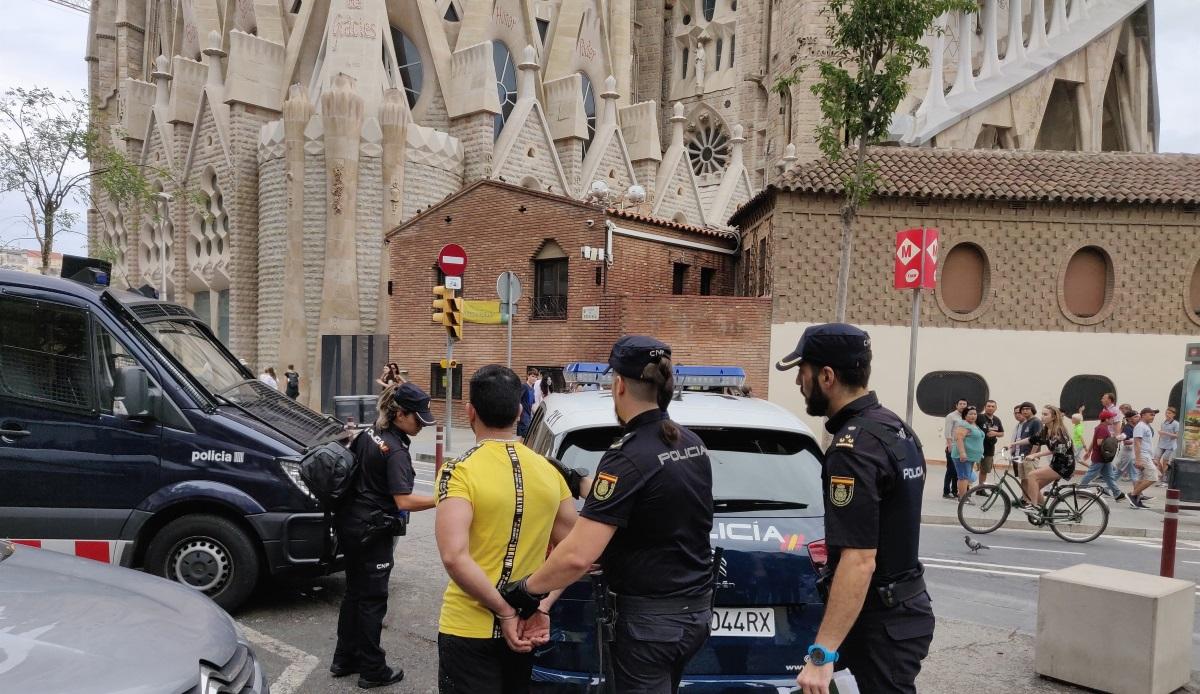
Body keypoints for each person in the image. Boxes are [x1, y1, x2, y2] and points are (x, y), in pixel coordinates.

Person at [501, 336, 715, 694]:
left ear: (618, 385)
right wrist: (581, 481)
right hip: (694, 614)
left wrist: (525, 591)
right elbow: (651, 500)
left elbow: (578, 554)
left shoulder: (626, 456)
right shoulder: (689, 443)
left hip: (649, 625)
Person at [770, 324, 932, 694]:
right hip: (901, 609)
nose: (799, 381)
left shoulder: (853, 449)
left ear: (827, 376)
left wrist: (821, 656)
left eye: (803, 371)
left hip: (880, 623)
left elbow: (860, 559)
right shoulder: (894, 427)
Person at [433, 365, 581, 693]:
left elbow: (455, 557)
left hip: (468, 627)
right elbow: (575, 552)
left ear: (470, 411)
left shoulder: (458, 472)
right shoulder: (549, 472)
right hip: (527, 624)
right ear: (519, 411)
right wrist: (539, 606)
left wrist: (503, 612)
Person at [331, 382, 437, 688]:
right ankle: (372, 670)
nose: (421, 424)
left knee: (354, 593)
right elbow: (404, 501)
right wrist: (443, 497)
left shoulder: (368, 434)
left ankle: (344, 658)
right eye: (418, 418)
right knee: (372, 600)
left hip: (350, 525)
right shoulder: (396, 451)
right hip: (373, 532)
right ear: (400, 413)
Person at [1013, 405, 1075, 511]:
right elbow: (1032, 439)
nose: (1042, 416)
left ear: (1054, 417)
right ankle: (1044, 512)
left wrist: (1035, 455)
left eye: (1045, 414)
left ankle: (1033, 505)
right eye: (1042, 414)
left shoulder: (1059, 431)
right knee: (1033, 488)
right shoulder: (1046, 429)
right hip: (1055, 464)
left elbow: (1057, 449)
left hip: (1063, 466)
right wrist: (1013, 444)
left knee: (1032, 475)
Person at [1079, 410, 1125, 501]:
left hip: (1104, 457)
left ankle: (1117, 493)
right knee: (1091, 474)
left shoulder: (1101, 427)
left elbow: (1094, 440)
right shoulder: (1102, 428)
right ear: (1106, 419)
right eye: (1111, 418)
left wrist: (1089, 451)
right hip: (1100, 457)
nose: (1113, 419)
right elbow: (1100, 442)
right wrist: (1115, 439)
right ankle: (1080, 490)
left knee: (1109, 476)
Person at [1128, 408, 1160, 509]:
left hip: (1146, 456)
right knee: (1153, 477)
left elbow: (1147, 444)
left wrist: (1152, 458)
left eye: (1154, 415)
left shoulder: (1145, 426)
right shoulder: (1140, 426)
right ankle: (1132, 495)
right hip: (1142, 456)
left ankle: (1136, 501)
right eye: (1151, 414)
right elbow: (1137, 443)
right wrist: (1138, 459)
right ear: (1143, 415)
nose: (1153, 417)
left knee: (1141, 479)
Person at [952, 406, 983, 502]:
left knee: (968, 477)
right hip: (963, 456)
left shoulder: (974, 425)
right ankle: (962, 498)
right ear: (965, 416)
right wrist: (962, 453)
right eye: (970, 414)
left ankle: (961, 494)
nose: (973, 416)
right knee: (964, 477)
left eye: (975, 414)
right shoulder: (963, 425)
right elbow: (959, 439)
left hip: (971, 457)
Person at [942, 399, 967, 499]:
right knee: (951, 470)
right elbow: (947, 432)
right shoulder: (951, 416)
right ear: (956, 405)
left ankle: (955, 491)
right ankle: (946, 491)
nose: (962, 405)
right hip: (952, 447)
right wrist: (949, 445)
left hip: (961, 448)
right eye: (960, 404)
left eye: (964, 404)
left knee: (958, 471)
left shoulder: (966, 417)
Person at [976, 400, 1004, 488]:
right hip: (976, 448)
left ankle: (980, 489)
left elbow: (1002, 433)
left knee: (984, 470)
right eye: (988, 406)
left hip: (989, 449)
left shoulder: (996, 420)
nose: (990, 408)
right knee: (971, 469)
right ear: (985, 407)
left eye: (992, 406)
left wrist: (995, 433)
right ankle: (965, 490)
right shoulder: (979, 417)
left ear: (996, 408)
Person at [1155, 406, 1180, 485]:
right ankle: (1163, 475)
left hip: (1170, 445)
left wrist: (1165, 433)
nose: (1167, 414)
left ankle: (1165, 479)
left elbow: (1176, 436)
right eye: (1166, 413)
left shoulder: (1176, 424)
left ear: (1174, 415)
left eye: (1169, 413)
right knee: (1155, 460)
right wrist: (1160, 439)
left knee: (1165, 461)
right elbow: (1161, 434)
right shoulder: (1164, 422)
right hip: (1161, 444)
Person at [516, 373, 535, 438]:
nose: (534, 378)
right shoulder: (524, 386)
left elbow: (532, 403)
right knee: (523, 436)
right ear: (528, 376)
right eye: (532, 376)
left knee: (526, 436)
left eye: (536, 377)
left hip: (529, 415)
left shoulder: (532, 389)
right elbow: (518, 399)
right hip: (523, 415)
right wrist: (518, 415)